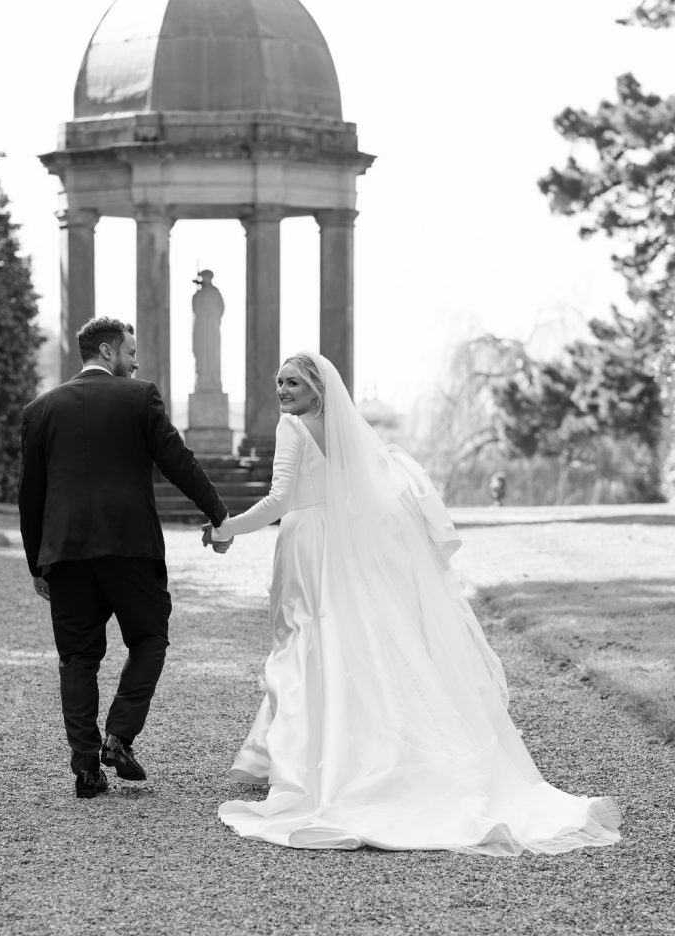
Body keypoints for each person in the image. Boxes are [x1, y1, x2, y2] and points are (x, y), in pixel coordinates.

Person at [203, 352, 621, 853]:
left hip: (310, 544)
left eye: (293, 382)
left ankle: (312, 764)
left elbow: (278, 500)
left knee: (307, 643)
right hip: (340, 544)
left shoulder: (291, 428)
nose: (283, 390)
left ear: (317, 386)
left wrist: (226, 527)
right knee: (342, 641)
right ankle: (288, 755)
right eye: (279, 382)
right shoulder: (348, 431)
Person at [19, 316, 232, 799]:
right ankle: (119, 737)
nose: (136, 362)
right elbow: (178, 460)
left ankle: (86, 772)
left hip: (66, 554)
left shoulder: (40, 409)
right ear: (110, 351)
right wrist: (218, 513)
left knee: (77, 658)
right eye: (131, 352)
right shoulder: (140, 397)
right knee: (150, 637)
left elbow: (29, 496)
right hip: (130, 548)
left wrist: (38, 563)